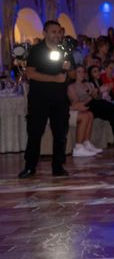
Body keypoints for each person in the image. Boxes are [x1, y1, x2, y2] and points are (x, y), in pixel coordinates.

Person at [19, 21, 74, 178]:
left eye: (59, 32)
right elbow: (30, 73)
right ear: (45, 33)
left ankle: (58, 167)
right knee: (35, 132)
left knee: (60, 133)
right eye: (53, 32)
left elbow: (73, 75)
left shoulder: (65, 50)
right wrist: (54, 78)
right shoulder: (36, 50)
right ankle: (30, 166)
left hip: (60, 99)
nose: (57, 35)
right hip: (39, 99)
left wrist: (68, 68)